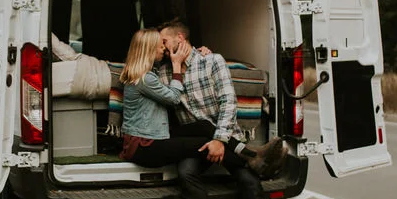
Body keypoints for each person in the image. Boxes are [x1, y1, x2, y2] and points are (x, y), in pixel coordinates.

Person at [159, 19, 284, 199]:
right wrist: (173, 64)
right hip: (195, 143)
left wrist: (219, 138)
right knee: (186, 174)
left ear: (180, 39)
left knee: (249, 182)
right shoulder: (163, 71)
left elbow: (229, 102)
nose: (161, 47)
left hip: (226, 137)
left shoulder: (212, 60)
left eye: (164, 42)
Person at [119, 29, 282, 177]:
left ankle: (250, 154)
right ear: (148, 49)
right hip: (145, 144)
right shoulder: (145, 78)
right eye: (160, 45)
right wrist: (176, 66)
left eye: (164, 43)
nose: (164, 48)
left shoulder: (149, 72)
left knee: (204, 125)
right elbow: (174, 98)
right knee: (208, 144)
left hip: (155, 136)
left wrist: (197, 52)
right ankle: (253, 162)